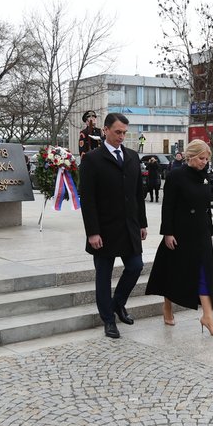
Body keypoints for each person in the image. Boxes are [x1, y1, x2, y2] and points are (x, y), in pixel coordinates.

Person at [78, 112, 147, 339]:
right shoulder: (92, 159)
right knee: (103, 276)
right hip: (104, 230)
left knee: (136, 266)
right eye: (118, 132)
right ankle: (108, 320)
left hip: (129, 227)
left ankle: (118, 304)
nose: (121, 137)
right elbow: (87, 199)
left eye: (124, 133)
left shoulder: (132, 156)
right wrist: (93, 232)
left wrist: (142, 224)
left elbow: (138, 194)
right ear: (105, 130)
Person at [146, 139, 213, 336]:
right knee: (174, 273)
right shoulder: (175, 175)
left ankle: (208, 316)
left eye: (206, 158)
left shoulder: (205, 176)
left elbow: (207, 208)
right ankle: (167, 307)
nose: (204, 162)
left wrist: (210, 231)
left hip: (201, 232)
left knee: (205, 273)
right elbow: (168, 205)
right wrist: (168, 233)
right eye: (201, 158)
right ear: (190, 156)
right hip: (181, 232)